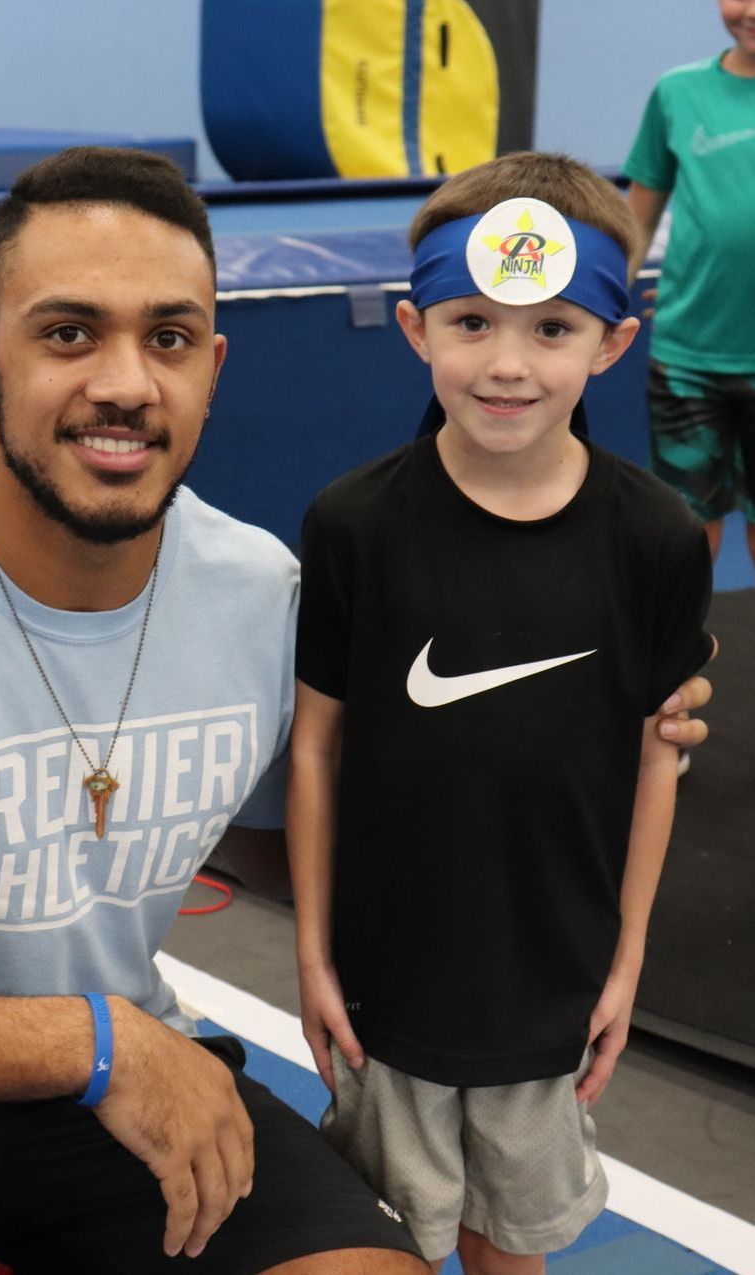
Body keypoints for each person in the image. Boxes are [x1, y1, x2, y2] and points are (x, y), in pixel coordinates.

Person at [0, 145, 711, 1275]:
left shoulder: (258, 598)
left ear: (216, 366)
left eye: (171, 339)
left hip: (121, 1086)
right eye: (69, 333)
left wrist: (596, 715)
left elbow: (362, 802)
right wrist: (90, 1042)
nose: (128, 384)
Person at [288, 151, 716, 1275]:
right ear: (414, 326)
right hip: (389, 981)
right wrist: (313, 952)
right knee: (383, 1245)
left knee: (509, 1247)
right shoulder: (351, 525)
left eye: (553, 329)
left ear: (614, 343)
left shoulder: (659, 540)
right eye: (472, 323)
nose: (508, 365)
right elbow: (319, 748)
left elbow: (655, 761)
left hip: (551, 982)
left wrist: (624, 966)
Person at [623, 0, 755, 565]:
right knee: (686, 525)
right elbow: (638, 221)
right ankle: (686, 651)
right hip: (688, 360)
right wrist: (600, 301)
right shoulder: (677, 92)